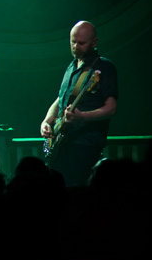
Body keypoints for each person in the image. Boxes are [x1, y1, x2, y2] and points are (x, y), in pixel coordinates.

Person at [39, 20, 118, 186]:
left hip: (85, 145)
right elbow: (61, 99)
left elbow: (111, 108)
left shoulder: (104, 67)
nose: (75, 46)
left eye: (81, 43)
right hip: (63, 144)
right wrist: (47, 120)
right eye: (72, 42)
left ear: (94, 42)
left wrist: (83, 117)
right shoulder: (72, 66)